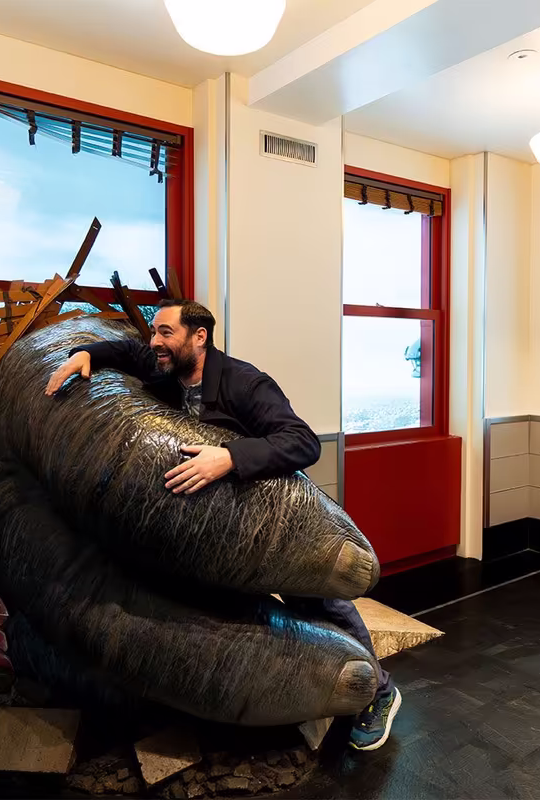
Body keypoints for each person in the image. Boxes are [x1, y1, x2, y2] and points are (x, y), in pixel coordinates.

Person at [44, 298, 401, 750]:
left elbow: (302, 442)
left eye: (165, 332)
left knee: (319, 601)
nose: (155, 342)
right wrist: (88, 354)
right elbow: (126, 351)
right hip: (219, 523)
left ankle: (381, 692)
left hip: (273, 513)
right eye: (154, 332)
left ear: (200, 336)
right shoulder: (164, 367)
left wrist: (230, 457)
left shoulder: (244, 382)